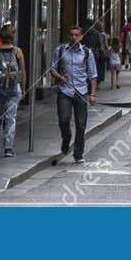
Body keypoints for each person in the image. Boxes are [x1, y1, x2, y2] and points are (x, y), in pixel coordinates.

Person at [50, 24, 98, 163]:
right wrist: (59, 77)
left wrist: (92, 94)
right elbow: (52, 68)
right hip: (65, 91)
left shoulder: (87, 53)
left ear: (81, 37)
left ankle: (78, 153)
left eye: (77, 35)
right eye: (71, 35)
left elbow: (92, 75)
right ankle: (67, 137)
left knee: (81, 124)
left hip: (81, 91)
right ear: (68, 36)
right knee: (63, 119)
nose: (74, 37)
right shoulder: (60, 51)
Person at [0, 25, 27, 156]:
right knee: (11, 118)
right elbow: (23, 73)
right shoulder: (18, 51)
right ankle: (8, 148)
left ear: (0, 36)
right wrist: (23, 89)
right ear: (13, 36)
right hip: (14, 88)